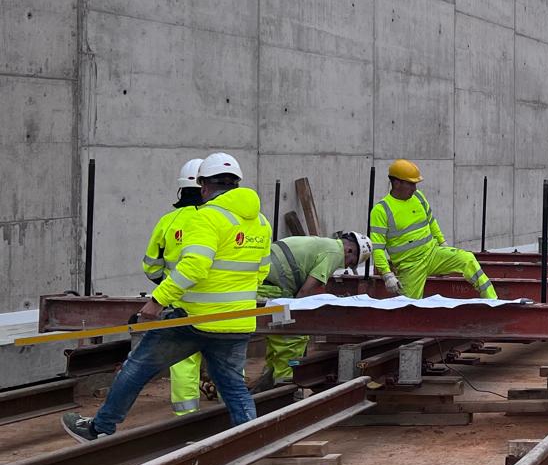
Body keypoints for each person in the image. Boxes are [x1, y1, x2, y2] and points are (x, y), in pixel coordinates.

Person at [63, 152, 271, 441]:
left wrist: (157, 301)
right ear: (236, 184)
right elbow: (262, 271)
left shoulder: (207, 216)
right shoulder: (260, 221)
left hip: (192, 319)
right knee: (234, 386)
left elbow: (194, 266)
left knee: (137, 367)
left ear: (205, 187)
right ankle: (250, 440)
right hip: (236, 321)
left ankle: (99, 428)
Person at [254, 231, 371, 389]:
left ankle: (270, 377)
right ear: (349, 250)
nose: (346, 266)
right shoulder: (335, 253)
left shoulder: (323, 244)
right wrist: (297, 317)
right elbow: (304, 292)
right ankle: (284, 385)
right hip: (271, 287)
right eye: (351, 263)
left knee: (276, 332)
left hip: (262, 280)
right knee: (292, 334)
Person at [369, 159, 497, 299]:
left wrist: (443, 244)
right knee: (408, 306)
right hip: (410, 266)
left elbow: (431, 222)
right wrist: (387, 275)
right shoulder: (381, 210)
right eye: (411, 184)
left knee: (467, 259)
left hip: (432, 254)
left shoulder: (418, 197)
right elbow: (377, 248)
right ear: (396, 183)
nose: (414, 189)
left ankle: (492, 300)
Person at [141, 157, 206, 415]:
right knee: (227, 361)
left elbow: (151, 266)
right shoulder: (223, 220)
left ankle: (186, 416)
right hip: (223, 306)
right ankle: (230, 419)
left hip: (179, 305)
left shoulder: (168, 221)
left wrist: (166, 287)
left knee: (183, 361)